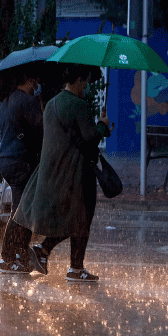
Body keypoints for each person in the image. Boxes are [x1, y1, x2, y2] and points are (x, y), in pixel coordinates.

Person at [13, 64, 110, 282]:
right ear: (76, 81)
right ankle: (73, 267)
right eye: (84, 81)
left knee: (73, 217)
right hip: (76, 171)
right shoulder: (80, 106)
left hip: (52, 169)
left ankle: (47, 252)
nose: (86, 86)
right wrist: (103, 126)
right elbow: (90, 138)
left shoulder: (52, 105)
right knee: (82, 218)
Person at [0, 68, 44, 273]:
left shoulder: (7, 102)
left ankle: (20, 255)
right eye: (37, 82)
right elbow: (40, 131)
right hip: (20, 161)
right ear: (30, 80)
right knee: (21, 212)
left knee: (21, 209)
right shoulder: (25, 101)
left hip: (7, 159)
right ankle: (8, 257)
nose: (37, 87)